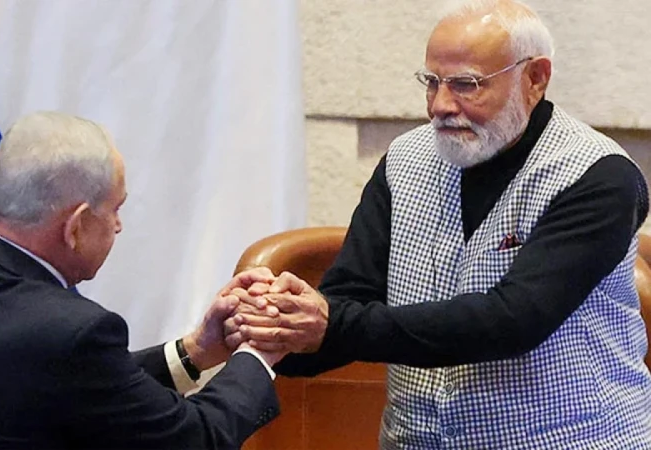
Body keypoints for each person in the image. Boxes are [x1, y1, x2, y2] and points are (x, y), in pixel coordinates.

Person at [226, 0, 651, 448]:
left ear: (535, 78)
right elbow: (351, 295)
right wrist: (282, 331)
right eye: (432, 82)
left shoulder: (599, 176)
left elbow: (513, 320)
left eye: (466, 85)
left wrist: (330, 324)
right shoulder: (405, 160)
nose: (440, 106)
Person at [0, 111, 284, 449]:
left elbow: (79, 388)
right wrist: (259, 352)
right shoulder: (72, 332)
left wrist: (194, 351)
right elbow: (197, 439)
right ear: (77, 226)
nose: (118, 225)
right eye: (115, 208)